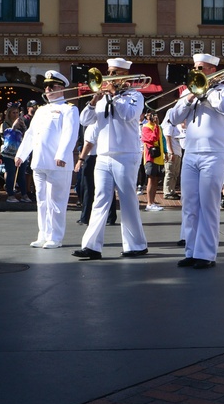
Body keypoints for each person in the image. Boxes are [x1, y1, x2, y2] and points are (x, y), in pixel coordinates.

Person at [72, 57, 150, 260]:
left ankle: (136, 245)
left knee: (128, 200)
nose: (109, 76)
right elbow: (84, 121)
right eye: (109, 71)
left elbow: (128, 115)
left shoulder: (135, 96)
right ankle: (92, 246)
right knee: (100, 200)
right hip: (104, 155)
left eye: (114, 72)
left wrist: (115, 95)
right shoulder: (102, 98)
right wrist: (93, 101)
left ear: (125, 74)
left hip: (126, 154)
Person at [169, 54, 224, 268]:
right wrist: (189, 97)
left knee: (208, 204)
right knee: (189, 205)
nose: (196, 71)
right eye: (195, 67)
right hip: (191, 153)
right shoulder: (188, 91)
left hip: (214, 153)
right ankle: (191, 250)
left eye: (201, 68)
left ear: (211, 69)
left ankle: (206, 254)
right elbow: (173, 118)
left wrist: (204, 91)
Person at [17, 70, 79, 248]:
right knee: (42, 201)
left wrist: (61, 154)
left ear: (61, 88)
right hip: (39, 162)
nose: (48, 89)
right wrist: (21, 154)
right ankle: (43, 234)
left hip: (57, 163)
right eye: (46, 86)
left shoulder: (69, 109)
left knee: (56, 202)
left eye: (52, 86)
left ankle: (56, 237)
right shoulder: (41, 110)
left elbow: (70, 134)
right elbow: (31, 134)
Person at [0, 102, 29, 202]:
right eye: (13, 113)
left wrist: (24, 127)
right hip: (9, 153)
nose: (15, 115)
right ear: (9, 114)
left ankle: (24, 195)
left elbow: (27, 136)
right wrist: (13, 127)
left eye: (17, 113)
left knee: (21, 174)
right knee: (11, 173)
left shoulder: (21, 123)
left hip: (20, 152)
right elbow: (7, 137)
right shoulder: (4, 125)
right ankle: (10, 195)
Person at [141, 109, 166, 211]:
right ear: (147, 117)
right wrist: (156, 126)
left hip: (159, 157)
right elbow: (152, 139)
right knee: (151, 179)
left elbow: (162, 140)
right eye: (151, 115)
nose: (154, 117)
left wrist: (166, 152)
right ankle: (149, 203)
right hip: (150, 157)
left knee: (156, 179)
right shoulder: (146, 128)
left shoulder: (159, 127)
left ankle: (153, 202)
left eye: (154, 115)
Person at [161, 108, 184, 200]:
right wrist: (171, 152)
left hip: (178, 152)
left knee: (175, 173)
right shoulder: (168, 126)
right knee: (170, 172)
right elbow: (168, 139)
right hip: (172, 152)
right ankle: (167, 192)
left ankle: (172, 190)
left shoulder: (175, 126)